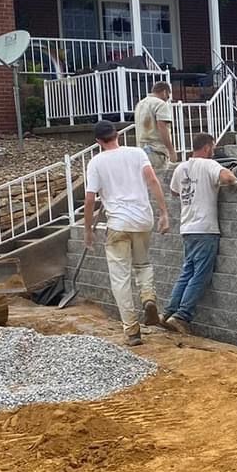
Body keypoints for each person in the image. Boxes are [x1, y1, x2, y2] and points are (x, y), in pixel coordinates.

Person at [82, 119, 170, 346]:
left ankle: (132, 330)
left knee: (120, 277)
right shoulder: (136, 153)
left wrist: (88, 229)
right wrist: (163, 213)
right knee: (142, 264)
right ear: (117, 134)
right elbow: (152, 180)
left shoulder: (96, 162)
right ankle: (148, 296)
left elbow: (90, 198)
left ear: (98, 141)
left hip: (118, 225)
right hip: (142, 220)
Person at [162, 132, 237, 333]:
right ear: (207, 148)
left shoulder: (181, 168)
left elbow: (174, 191)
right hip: (205, 229)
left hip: (187, 228)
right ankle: (182, 316)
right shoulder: (209, 165)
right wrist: (233, 180)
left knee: (187, 271)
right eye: (212, 148)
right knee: (200, 274)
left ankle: (169, 312)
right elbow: (228, 178)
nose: (213, 151)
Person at [133, 81, 178, 173]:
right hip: (156, 151)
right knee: (158, 182)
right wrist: (171, 150)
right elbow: (162, 127)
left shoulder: (140, 104)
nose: (167, 100)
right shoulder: (160, 104)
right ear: (164, 92)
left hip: (141, 150)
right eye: (168, 97)